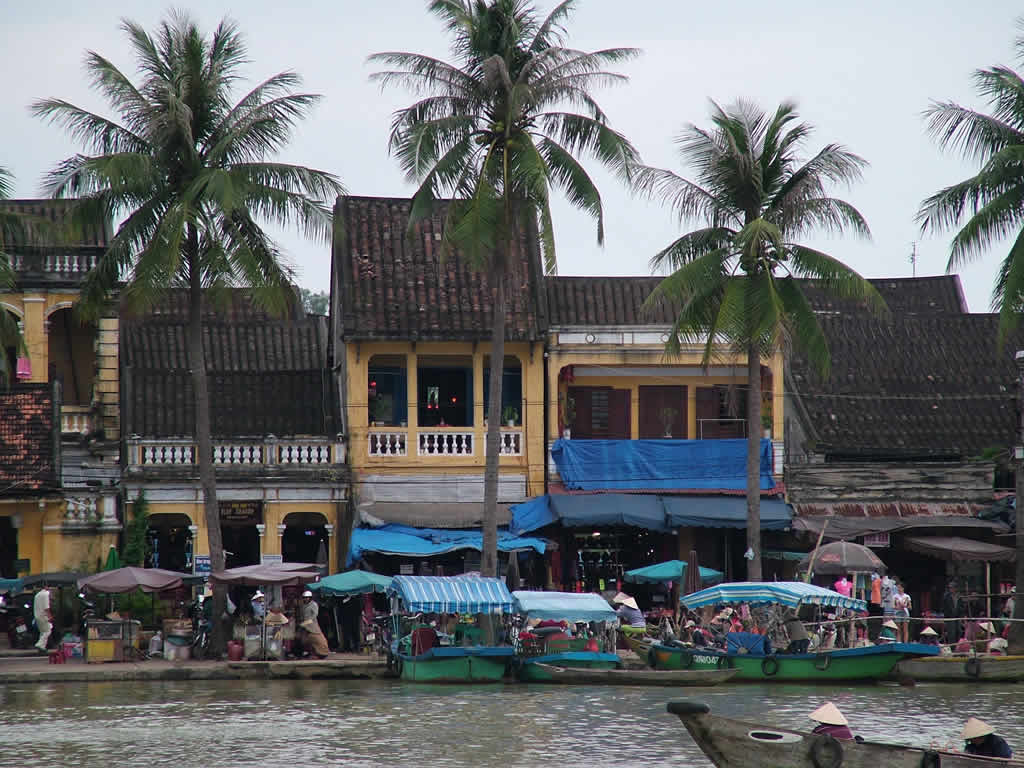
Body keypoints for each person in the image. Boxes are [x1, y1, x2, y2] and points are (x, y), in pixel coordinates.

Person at [33, 587, 53, 653]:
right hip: (43, 616)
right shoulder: (46, 594)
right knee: (48, 631)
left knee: (42, 632)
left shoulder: (37, 595)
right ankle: (40, 645)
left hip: (37, 616)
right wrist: (50, 616)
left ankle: (42, 647)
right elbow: (46, 608)